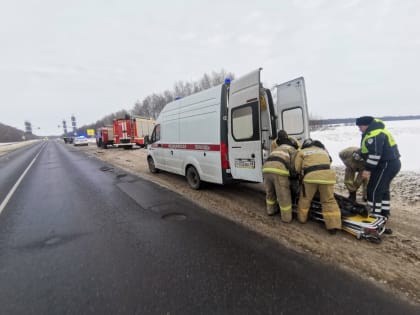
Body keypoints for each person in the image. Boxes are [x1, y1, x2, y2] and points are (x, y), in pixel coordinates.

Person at [355, 116, 401, 218]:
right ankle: (384, 212)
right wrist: (359, 152)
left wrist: (367, 170)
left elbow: (375, 154)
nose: (359, 129)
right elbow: (368, 150)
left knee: (374, 189)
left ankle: (375, 215)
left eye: (360, 126)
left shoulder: (374, 135)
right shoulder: (378, 131)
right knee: (382, 189)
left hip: (386, 165)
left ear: (366, 125)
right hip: (390, 163)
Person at [294, 139, 342, 234]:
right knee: (329, 200)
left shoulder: (302, 151)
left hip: (310, 178)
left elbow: (297, 168)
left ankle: (302, 219)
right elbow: (330, 161)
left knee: (305, 199)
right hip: (328, 177)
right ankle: (333, 226)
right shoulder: (323, 150)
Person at [262, 130, 299, 222]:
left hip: (266, 168)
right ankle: (286, 218)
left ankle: (271, 210)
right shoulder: (292, 149)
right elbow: (294, 165)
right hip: (278, 169)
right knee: (283, 195)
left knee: (270, 192)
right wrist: (294, 175)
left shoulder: (277, 148)